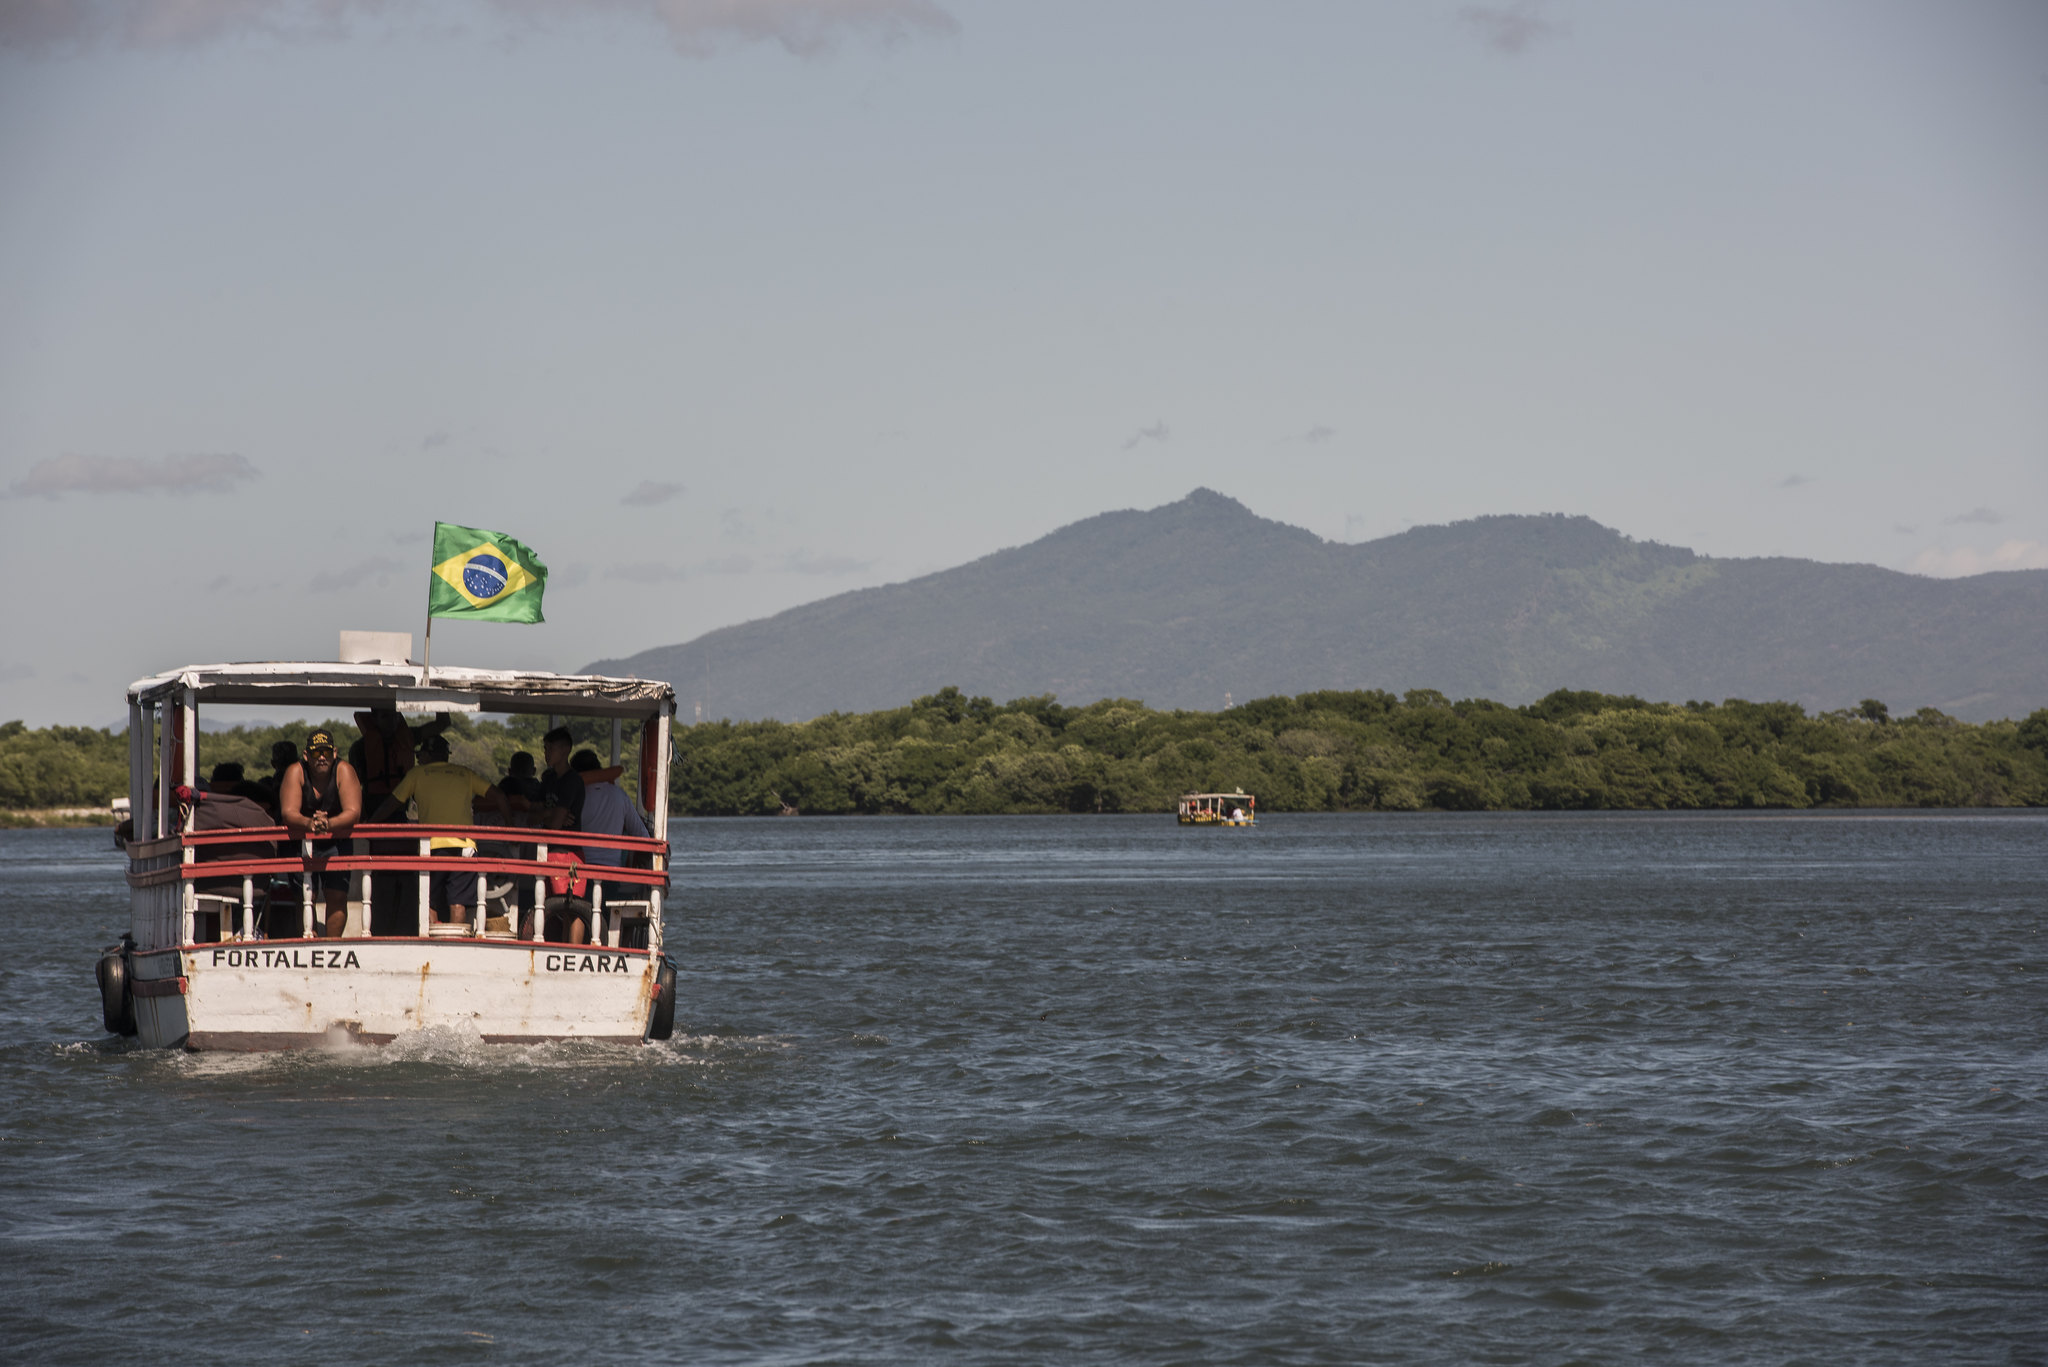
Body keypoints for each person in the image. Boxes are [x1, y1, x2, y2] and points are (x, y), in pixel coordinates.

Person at [373, 732, 506, 932]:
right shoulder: (465, 774)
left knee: (430, 900)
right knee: (458, 902)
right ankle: (457, 946)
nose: (418, 758)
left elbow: (391, 804)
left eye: (421, 754)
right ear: (445, 755)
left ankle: (432, 943)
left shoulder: (416, 774)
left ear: (427, 755)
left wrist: (370, 823)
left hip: (432, 847)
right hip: (464, 846)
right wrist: (510, 826)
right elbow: (500, 797)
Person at [277, 729, 363, 939]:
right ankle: (309, 938)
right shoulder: (295, 772)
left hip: (337, 841)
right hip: (301, 842)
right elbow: (288, 813)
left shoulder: (344, 770)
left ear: (335, 752)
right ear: (307, 755)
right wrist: (309, 823)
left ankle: (332, 943)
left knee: (337, 895)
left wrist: (328, 824)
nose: (322, 757)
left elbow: (353, 812)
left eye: (326, 752)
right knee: (306, 897)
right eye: (316, 753)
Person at [569, 748, 649, 942]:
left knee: (578, 914)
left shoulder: (574, 796)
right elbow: (643, 836)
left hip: (579, 869)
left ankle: (574, 949)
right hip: (611, 872)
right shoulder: (619, 796)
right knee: (604, 917)